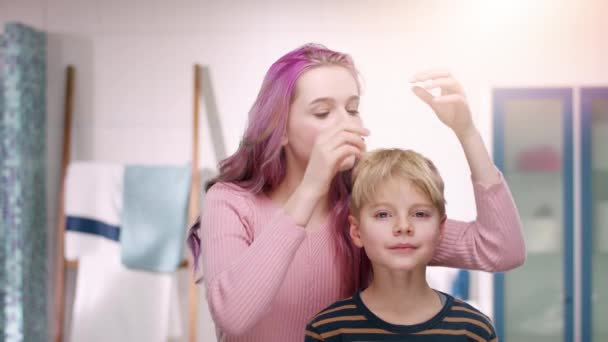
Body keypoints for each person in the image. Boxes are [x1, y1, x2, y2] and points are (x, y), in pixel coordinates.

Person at [187, 43, 525, 341]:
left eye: (351, 109)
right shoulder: (231, 202)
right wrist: (311, 187)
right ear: (281, 131)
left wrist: (466, 132)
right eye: (322, 112)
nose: (345, 124)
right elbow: (233, 316)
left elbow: (500, 250)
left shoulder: (365, 206)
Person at [305, 148, 497, 341]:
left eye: (419, 214)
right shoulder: (327, 330)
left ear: (441, 229)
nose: (403, 226)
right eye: (383, 214)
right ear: (356, 231)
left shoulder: (474, 330)